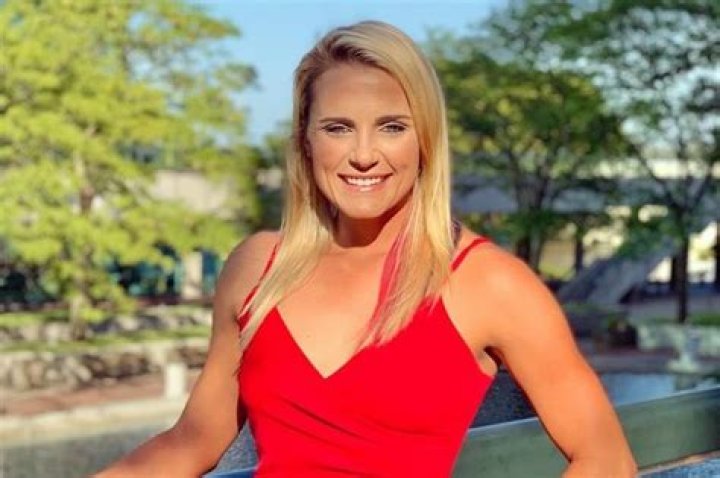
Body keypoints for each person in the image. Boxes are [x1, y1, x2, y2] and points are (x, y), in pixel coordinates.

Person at [97, 20, 637, 477]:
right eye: (337, 128)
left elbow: (605, 458)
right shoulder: (257, 267)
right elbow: (191, 441)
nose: (363, 154)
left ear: (425, 140)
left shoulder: (485, 282)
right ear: (306, 140)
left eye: (391, 127)